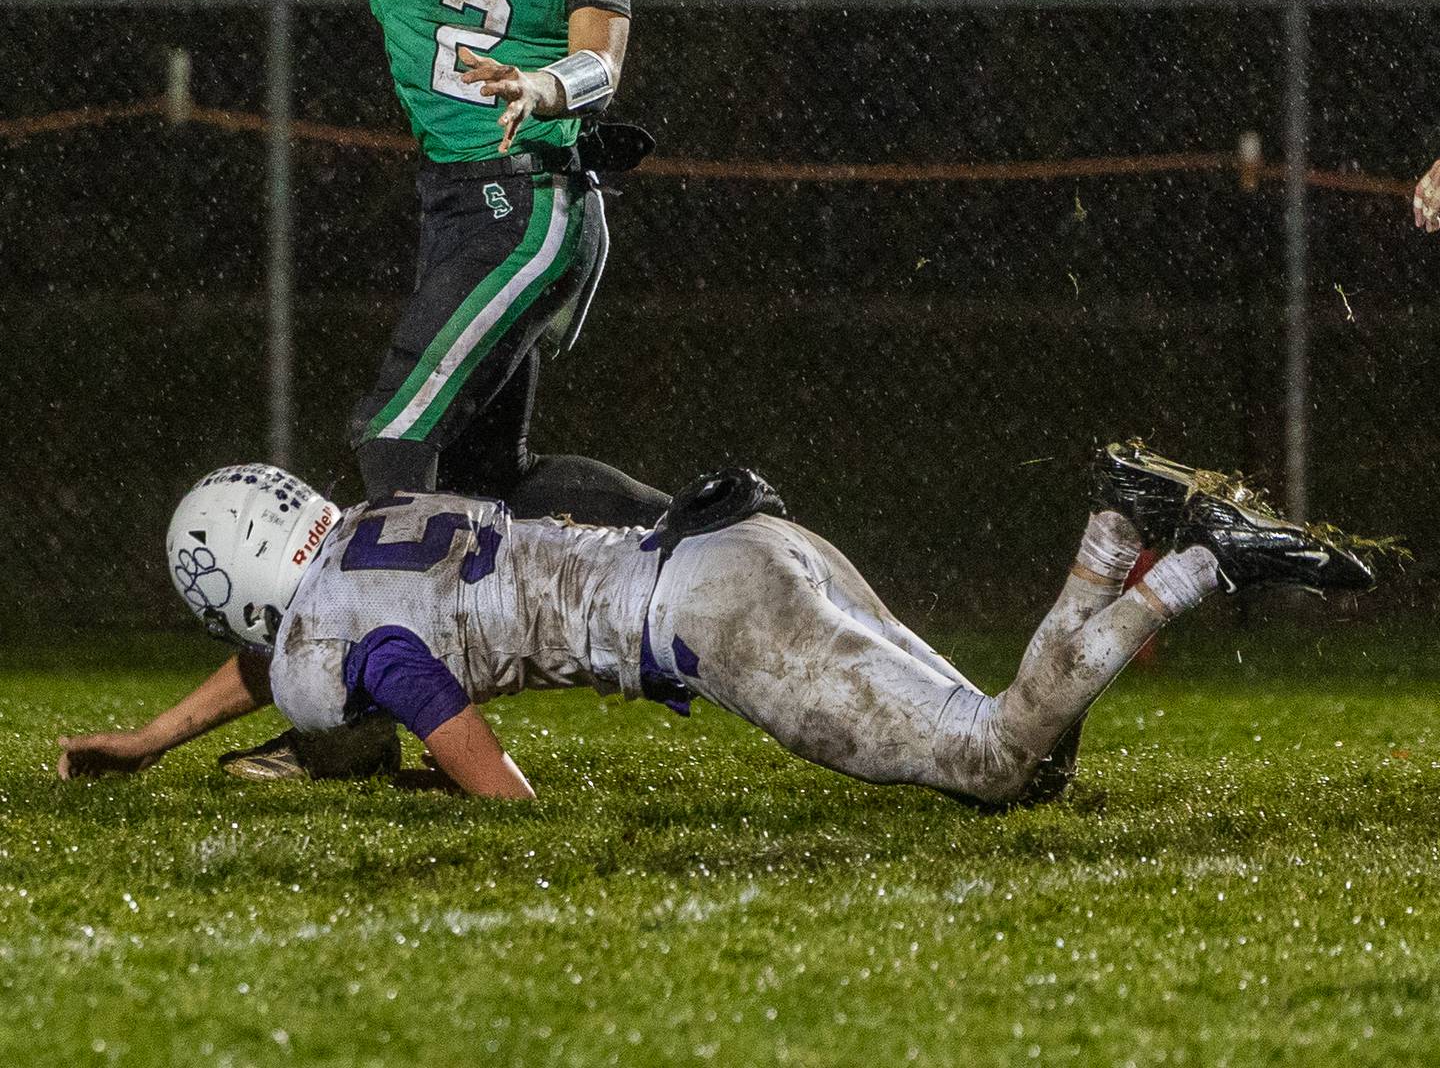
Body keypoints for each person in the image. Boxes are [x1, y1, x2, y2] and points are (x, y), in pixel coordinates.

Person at [56, 446, 1375, 806]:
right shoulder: (379, 518)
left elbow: (479, 763)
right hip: (742, 545)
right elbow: (296, 641)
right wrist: (157, 735)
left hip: (718, 624)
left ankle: (1194, 558)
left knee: (992, 756)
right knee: (1011, 772)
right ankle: (1117, 530)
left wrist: (474, 795)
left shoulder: (325, 640)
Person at [341, 0, 668, 530]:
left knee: (394, 436)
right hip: (457, 193)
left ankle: (401, 646)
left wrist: (546, 84)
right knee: (494, 480)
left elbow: (603, 60)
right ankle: (713, 535)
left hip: (535, 194)